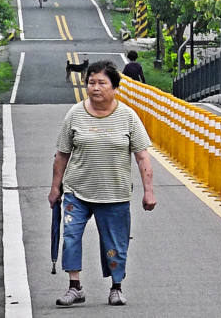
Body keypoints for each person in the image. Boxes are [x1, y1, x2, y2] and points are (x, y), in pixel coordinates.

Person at [49, 61, 156, 307]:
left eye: (101, 83)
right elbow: (62, 154)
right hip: (77, 191)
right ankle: (74, 286)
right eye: (91, 82)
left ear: (115, 87)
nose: (95, 88)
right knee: (71, 236)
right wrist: (55, 188)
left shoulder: (128, 117)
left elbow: (142, 156)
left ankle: (116, 287)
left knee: (114, 244)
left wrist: (149, 192)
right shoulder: (74, 114)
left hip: (114, 194)